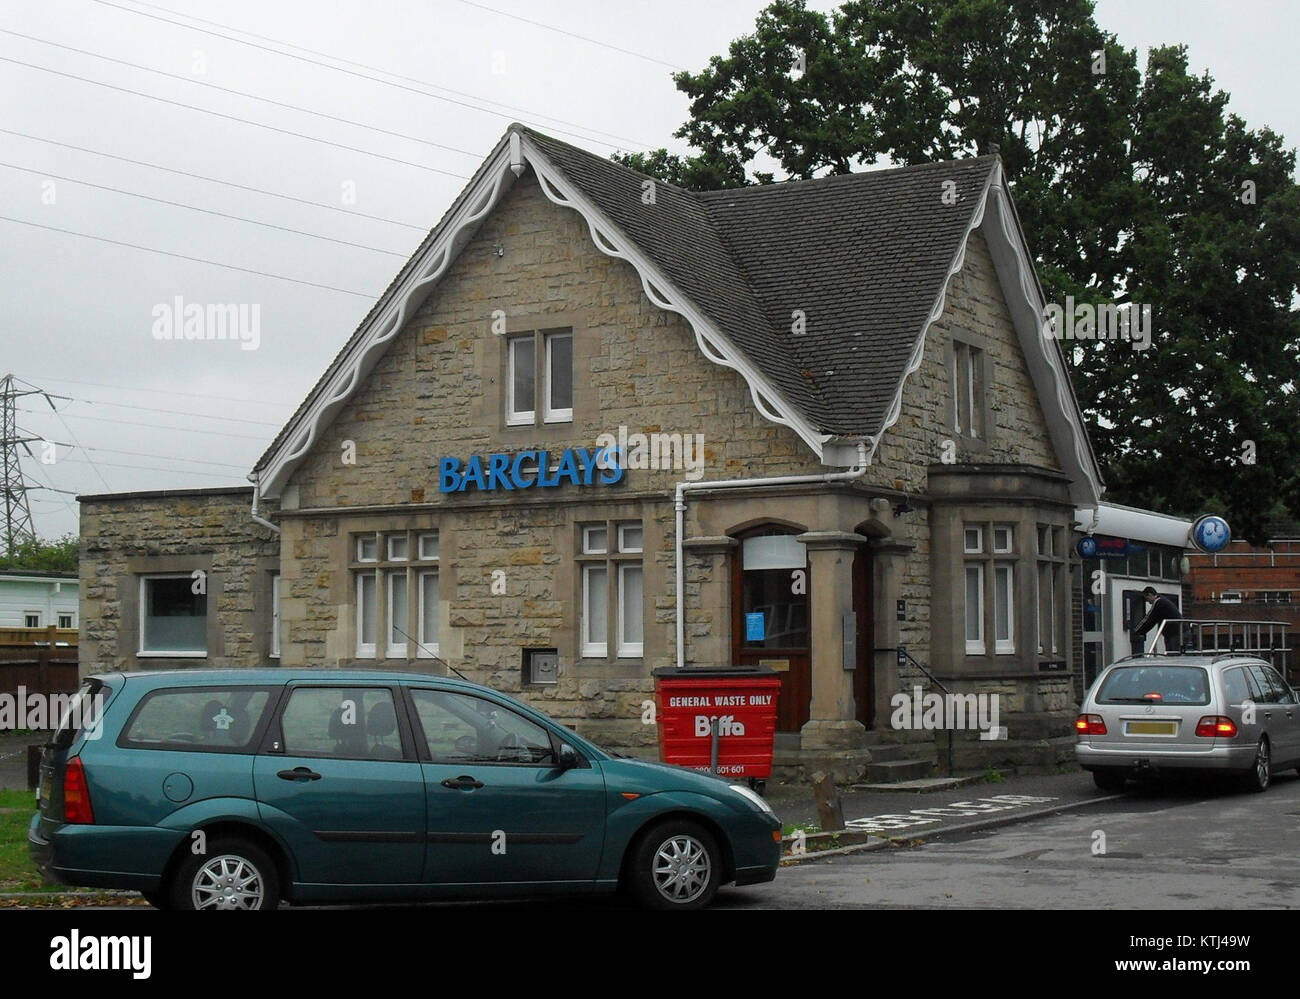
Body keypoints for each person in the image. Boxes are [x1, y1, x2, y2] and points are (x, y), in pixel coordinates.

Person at [1133, 587, 1181, 654]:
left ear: (1150, 595)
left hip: (1174, 633)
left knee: (1172, 655)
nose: (1148, 602)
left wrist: (1137, 631)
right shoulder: (1163, 600)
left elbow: (1149, 618)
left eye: (1147, 599)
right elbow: (1153, 620)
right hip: (1177, 632)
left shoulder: (1158, 602)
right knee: (1174, 654)